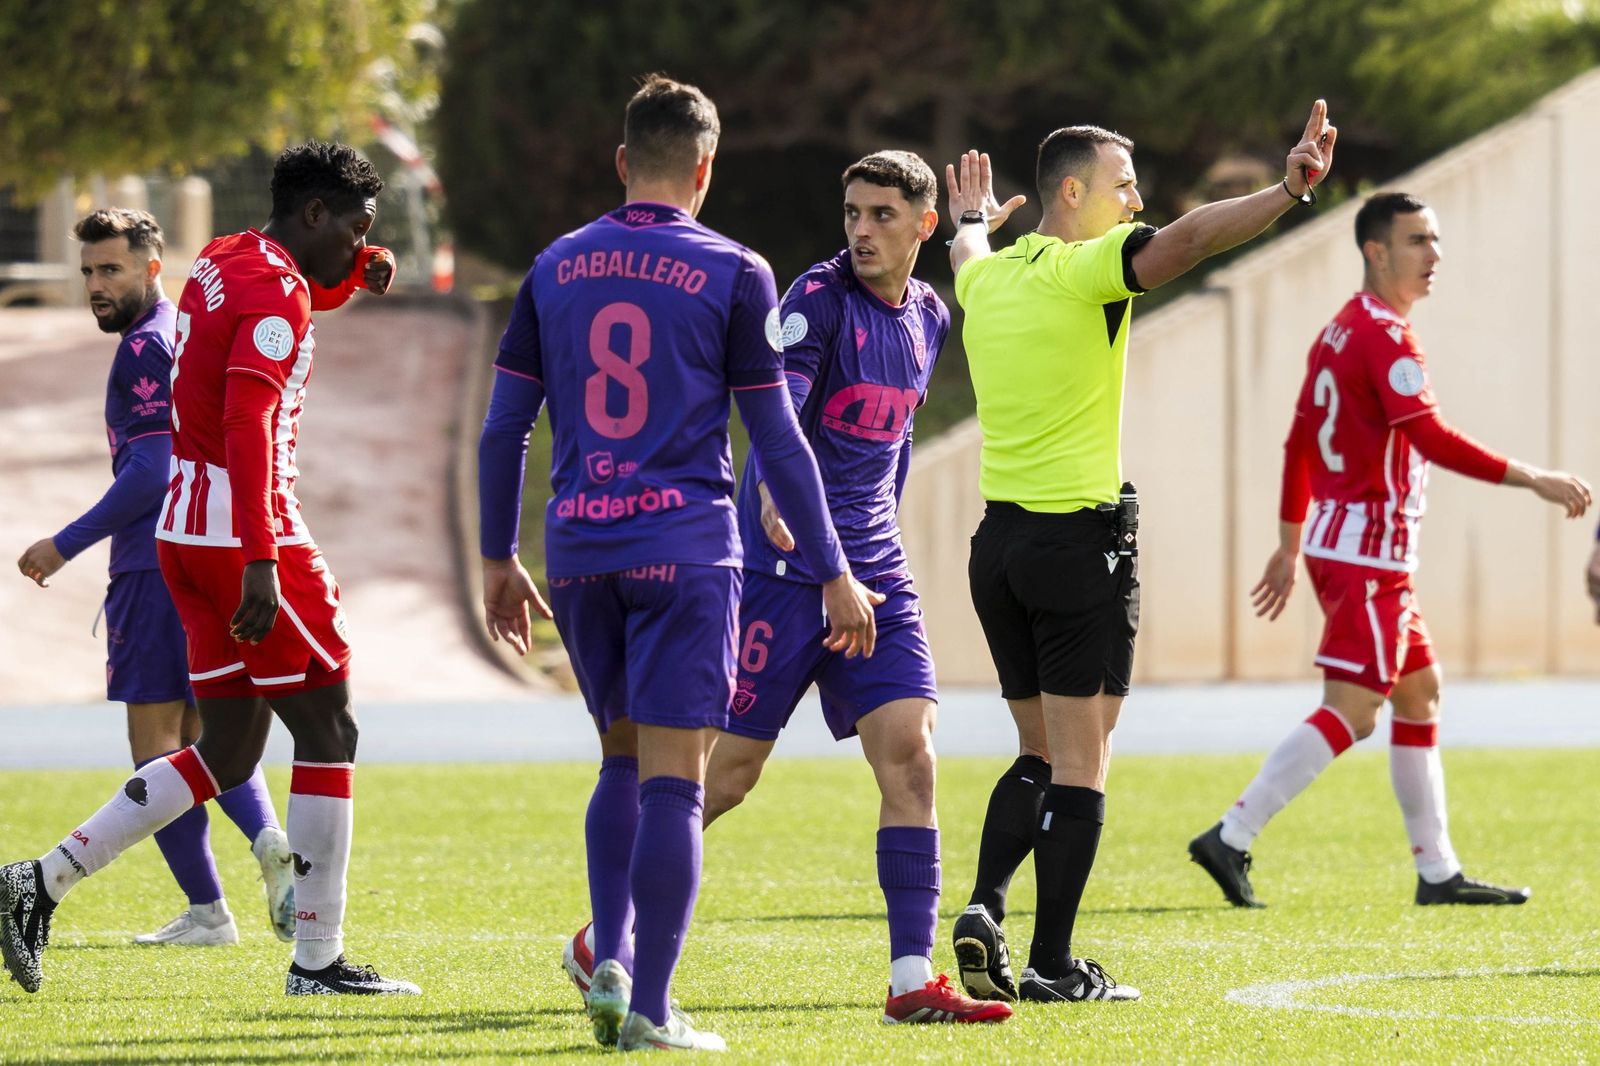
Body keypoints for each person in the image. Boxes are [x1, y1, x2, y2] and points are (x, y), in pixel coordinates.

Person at [558, 151, 1012, 1026]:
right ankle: (597, 940)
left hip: (874, 574)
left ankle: (912, 976)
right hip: (780, 575)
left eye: (883, 215)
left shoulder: (929, 315)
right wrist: (774, 503)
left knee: (913, 757)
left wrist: (871, 540)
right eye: (852, 212)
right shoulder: (813, 301)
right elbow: (773, 420)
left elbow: (898, 445)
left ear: (924, 225)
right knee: (721, 778)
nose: (862, 230)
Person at [477, 74, 878, 1052]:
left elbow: (502, 432)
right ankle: (650, 1007)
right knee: (674, 782)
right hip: (686, 549)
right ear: (705, 168)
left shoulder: (555, 265)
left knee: (617, 757)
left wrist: (497, 555)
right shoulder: (735, 269)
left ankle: (607, 957)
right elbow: (779, 441)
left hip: (578, 548)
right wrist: (832, 566)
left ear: (623, 162)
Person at [943, 101, 1337, 1005]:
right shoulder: (1089, 271)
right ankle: (1049, 964)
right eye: (1123, 186)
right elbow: (1191, 240)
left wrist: (968, 223)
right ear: (1072, 193)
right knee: (1084, 763)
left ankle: (983, 907)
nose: (1137, 201)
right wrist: (1286, 190)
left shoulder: (989, 279)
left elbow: (966, 252)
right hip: (1074, 546)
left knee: (1041, 751)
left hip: (997, 548)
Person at [1, 143, 418, 997]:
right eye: (354, 226)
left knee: (227, 752)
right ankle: (319, 961)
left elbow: (278, 310)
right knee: (330, 728)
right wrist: (264, 559)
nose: (359, 240)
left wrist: (348, 274)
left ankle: (36, 884)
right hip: (243, 532)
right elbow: (248, 419)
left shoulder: (228, 256)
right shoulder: (277, 287)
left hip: (182, 534)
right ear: (314, 215)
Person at [1188, 192, 1592, 908]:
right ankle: (1232, 834)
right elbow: (1430, 436)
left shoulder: (1340, 331)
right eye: (1418, 241)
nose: (1434, 255)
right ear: (1376, 252)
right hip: (1367, 556)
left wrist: (1290, 542)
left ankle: (1437, 873)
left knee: (1419, 690)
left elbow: (1298, 443)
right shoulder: (1385, 338)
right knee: (1355, 708)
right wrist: (1535, 478)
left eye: (1435, 240)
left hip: (1358, 552)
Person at [15, 208, 293, 948]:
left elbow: (152, 468)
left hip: (150, 565)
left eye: (111, 270)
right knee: (211, 739)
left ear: (152, 265)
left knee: (155, 749)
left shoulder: (143, 347)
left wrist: (63, 543)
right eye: (88, 273)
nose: (97, 286)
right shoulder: (186, 334)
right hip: (212, 556)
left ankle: (208, 911)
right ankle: (270, 842)